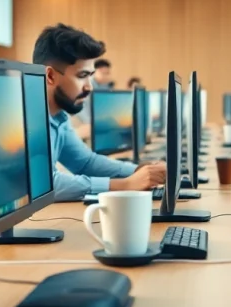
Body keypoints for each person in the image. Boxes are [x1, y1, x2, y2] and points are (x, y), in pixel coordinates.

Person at [32, 24, 166, 201]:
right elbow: (47, 184)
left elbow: (85, 162)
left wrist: (141, 171)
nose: (89, 87)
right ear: (50, 76)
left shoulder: (59, 116)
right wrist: (124, 185)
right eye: (82, 76)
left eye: (90, 77)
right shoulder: (27, 119)